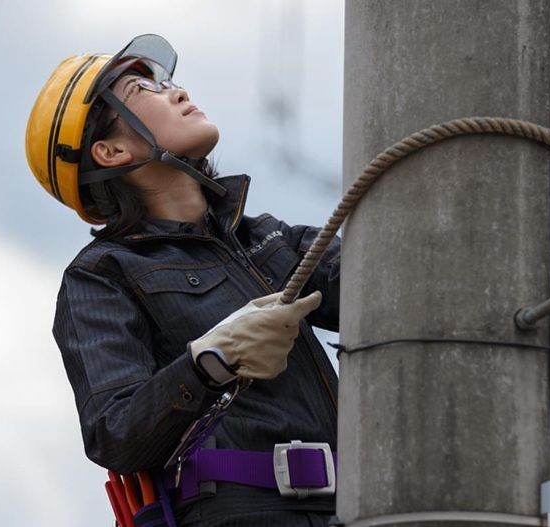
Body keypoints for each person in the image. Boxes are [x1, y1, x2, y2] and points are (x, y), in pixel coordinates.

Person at [25, 34, 340, 527]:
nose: (175, 91)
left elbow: (393, 286)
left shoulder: (269, 239)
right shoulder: (104, 274)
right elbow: (115, 432)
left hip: (359, 508)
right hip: (239, 513)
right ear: (110, 151)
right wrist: (210, 363)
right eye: (140, 90)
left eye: (167, 80)